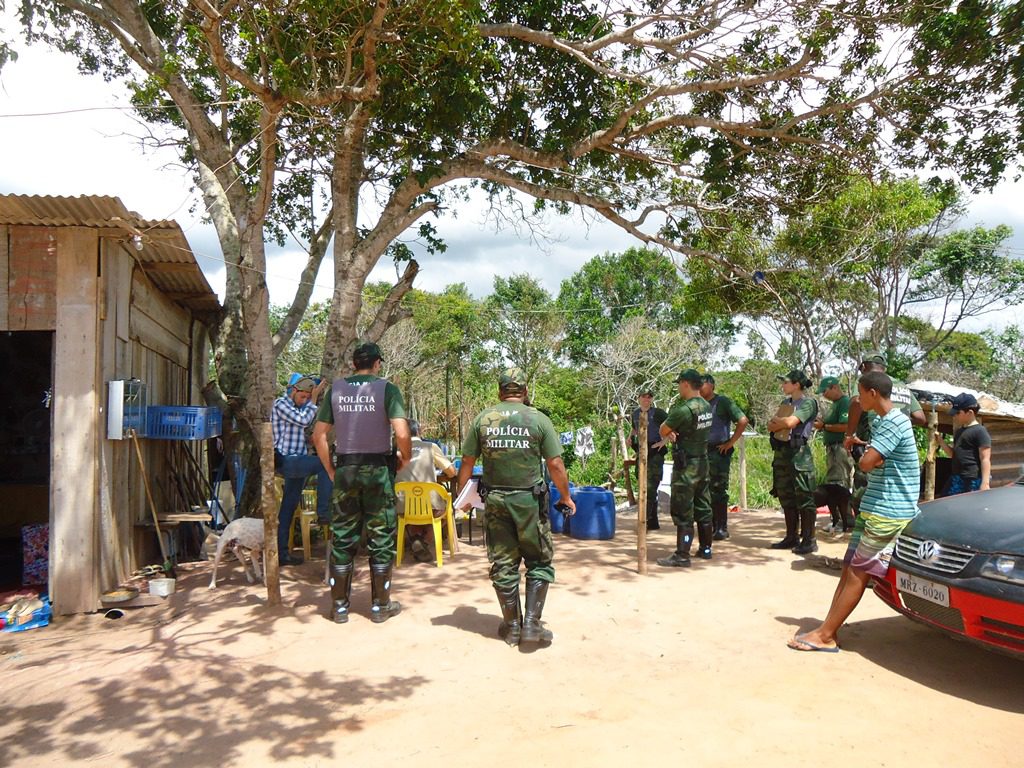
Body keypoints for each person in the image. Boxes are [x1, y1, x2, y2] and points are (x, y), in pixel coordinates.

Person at [788, 371, 920, 652]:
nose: (857, 399)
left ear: (873, 393)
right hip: (876, 505)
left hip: (889, 509)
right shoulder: (886, 421)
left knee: (859, 572)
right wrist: (864, 447)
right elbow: (881, 457)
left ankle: (825, 636)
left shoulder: (893, 421)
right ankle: (828, 629)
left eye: (860, 393)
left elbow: (867, 464)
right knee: (849, 568)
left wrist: (864, 453)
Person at [456, 372, 575, 648]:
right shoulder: (538, 419)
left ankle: (512, 627)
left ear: (500, 392)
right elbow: (555, 464)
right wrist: (566, 496)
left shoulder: (483, 420)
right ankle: (531, 626)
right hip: (530, 504)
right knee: (539, 561)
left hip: (496, 502)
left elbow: (466, 460)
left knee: (504, 563)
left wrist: (461, 497)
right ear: (525, 390)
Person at [312, 342, 411, 625]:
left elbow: (319, 435)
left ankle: (340, 608)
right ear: (377, 364)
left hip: (346, 468)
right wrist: (405, 457)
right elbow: (401, 431)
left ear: (354, 364)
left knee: (342, 535)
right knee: (381, 536)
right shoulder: (387, 389)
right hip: (378, 470)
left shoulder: (336, 390)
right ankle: (381, 606)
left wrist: (330, 468)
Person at [843, 352, 925, 514]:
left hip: (872, 448)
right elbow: (920, 418)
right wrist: (901, 427)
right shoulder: (900, 384)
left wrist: (849, 434)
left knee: (864, 492)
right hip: (899, 454)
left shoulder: (867, 381)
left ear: (864, 367)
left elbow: (856, 403)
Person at [270, 375, 332, 566]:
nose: (304, 400)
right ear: (293, 391)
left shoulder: (295, 406)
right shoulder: (281, 404)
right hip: (286, 461)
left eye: (307, 397)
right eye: (302, 396)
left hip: (296, 461)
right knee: (324, 464)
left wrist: (313, 398)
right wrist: (314, 400)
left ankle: (282, 554)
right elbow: (303, 420)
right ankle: (324, 512)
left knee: (288, 507)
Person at [656, 368, 713, 567]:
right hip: (703, 464)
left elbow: (663, 428)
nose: (679, 388)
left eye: (680, 384)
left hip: (686, 466)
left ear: (686, 384)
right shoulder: (706, 406)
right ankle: (706, 549)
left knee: (683, 511)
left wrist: (671, 431)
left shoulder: (684, 409)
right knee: (704, 507)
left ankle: (682, 554)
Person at [766, 369, 819, 554]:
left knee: (804, 497)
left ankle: (809, 539)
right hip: (782, 453)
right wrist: (780, 422)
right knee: (785, 496)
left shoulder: (808, 403)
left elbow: (789, 423)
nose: (783, 385)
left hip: (799, 455)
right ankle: (791, 537)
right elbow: (770, 425)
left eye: (786, 382)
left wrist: (780, 422)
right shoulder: (785, 403)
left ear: (796, 384)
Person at [395, 419, 457, 562]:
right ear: (419, 431)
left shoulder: (396, 448)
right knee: (444, 509)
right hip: (429, 505)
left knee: (408, 515)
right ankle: (425, 541)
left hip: (401, 503)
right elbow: (452, 472)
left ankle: (415, 540)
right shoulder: (430, 447)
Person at [699, 374, 749, 540]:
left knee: (718, 490)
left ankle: (721, 528)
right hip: (701, 452)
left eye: (702, 384)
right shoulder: (697, 404)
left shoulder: (723, 402)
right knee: (703, 490)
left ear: (711, 385)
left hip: (718, 453)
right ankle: (709, 526)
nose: (699, 387)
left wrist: (730, 442)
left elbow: (742, 420)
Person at [813, 376, 855, 534]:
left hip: (839, 448)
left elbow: (845, 426)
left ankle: (844, 521)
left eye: (825, 391)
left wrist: (824, 426)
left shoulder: (844, 402)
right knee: (833, 483)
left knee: (839, 485)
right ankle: (837, 520)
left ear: (834, 387)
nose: (824, 395)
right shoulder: (834, 404)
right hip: (832, 448)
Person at [937, 392, 992, 495]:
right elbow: (954, 455)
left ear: (970, 413)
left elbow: (985, 458)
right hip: (957, 477)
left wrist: (985, 483)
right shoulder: (959, 431)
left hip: (973, 479)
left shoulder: (980, 432)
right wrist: (940, 441)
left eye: (958, 413)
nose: (955, 416)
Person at [629, 390, 669, 530]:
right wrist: (630, 438)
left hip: (655, 453)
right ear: (638, 398)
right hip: (641, 452)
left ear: (652, 399)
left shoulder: (659, 413)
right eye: (644, 397)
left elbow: (672, 428)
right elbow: (634, 429)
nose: (646, 399)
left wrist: (663, 442)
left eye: (649, 397)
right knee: (641, 485)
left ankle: (644, 520)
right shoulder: (635, 414)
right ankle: (652, 522)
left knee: (651, 488)